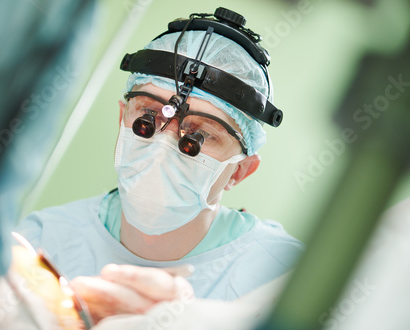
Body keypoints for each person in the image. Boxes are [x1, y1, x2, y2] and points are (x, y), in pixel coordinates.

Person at [15, 7, 304, 305]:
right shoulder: (43, 243)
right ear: (122, 119)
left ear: (240, 171)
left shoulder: (282, 277)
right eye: (149, 115)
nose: (163, 144)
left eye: (201, 135)